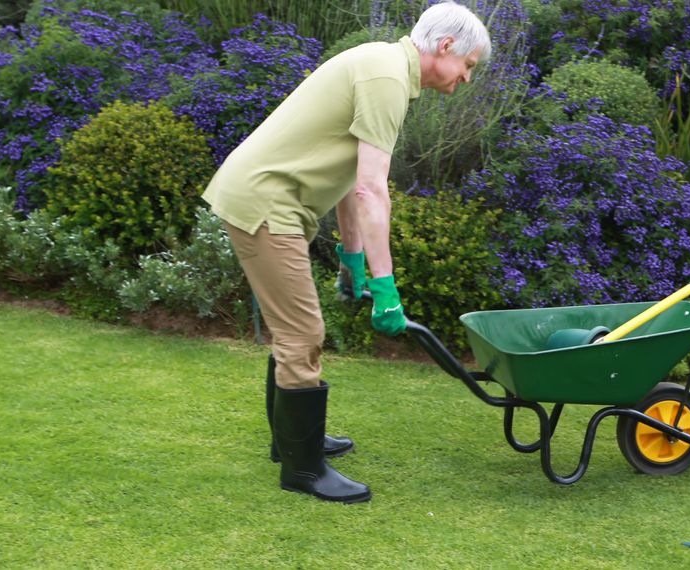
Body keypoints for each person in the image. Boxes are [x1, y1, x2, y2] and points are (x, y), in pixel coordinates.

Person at [202, 1, 491, 504]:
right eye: (468, 65)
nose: (466, 78)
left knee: (295, 330)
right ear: (445, 48)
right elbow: (371, 192)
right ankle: (303, 469)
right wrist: (385, 288)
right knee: (303, 332)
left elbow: (346, 182)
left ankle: (291, 443)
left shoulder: (381, 66)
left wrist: (351, 261)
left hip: (269, 199)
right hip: (266, 203)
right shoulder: (386, 79)